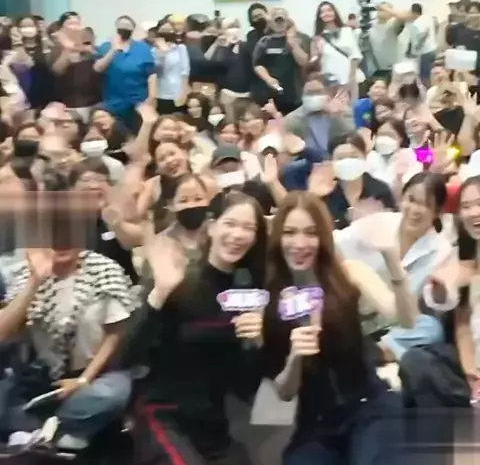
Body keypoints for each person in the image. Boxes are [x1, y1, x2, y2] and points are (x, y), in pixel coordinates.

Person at [262, 191, 407, 465]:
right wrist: (295, 358)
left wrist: (391, 259)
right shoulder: (270, 299)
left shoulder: (349, 273)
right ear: (278, 237)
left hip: (369, 406)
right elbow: (284, 393)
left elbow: (406, 318)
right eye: (290, 232)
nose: (299, 244)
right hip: (316, 424)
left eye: (311, 233)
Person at [0, 172, 137, 451]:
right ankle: (46, 434)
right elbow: (3, 333)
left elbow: (115, 334)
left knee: (112, 393)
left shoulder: (105, 270)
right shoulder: (26, 273)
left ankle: (50, 430)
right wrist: (35, 283)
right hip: (39, 378)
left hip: (93, 375)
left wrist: (83, 379)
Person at [128, 191, 267, 465]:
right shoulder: (178, 279)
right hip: (163, 412)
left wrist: (258, 343)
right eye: (230, 224)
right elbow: (129, 355)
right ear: (212, 226)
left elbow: (245, 386)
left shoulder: (251, 294)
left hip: (212, 424)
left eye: (248, 228)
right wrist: (160, 293)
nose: (237, 235)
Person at [335, 172, 459, 362]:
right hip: (356, 310)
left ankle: (379, 351)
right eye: (411, 200)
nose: (415, 210)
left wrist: (440, 292)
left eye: (426, 205)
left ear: (437, 212)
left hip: (395, 324)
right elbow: (335, 241)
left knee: (431, 328)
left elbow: (443, 301)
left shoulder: (442, 250)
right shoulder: (380, 221)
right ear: (401, 198)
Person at [308, 132, 396, 229]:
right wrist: (313, 196)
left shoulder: (380, 190)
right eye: (341, 158)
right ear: (332, 161)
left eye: (354, 156)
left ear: (365, 157)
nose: (348, 162)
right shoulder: (324, 193)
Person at [94, 16, 156, 133]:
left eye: (128, 26)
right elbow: (98, 68)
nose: (124, 29)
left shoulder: (142, 47)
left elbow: (151, 74)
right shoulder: (106, 47)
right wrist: (113, 50)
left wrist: (151, 97)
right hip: (113, 103)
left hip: (138, 102)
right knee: (116, 135)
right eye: (122, 26)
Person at [252, 8, 309, 115]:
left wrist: (293, 43)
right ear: (270, 22)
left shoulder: (299, 39)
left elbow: (303, 62)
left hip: (294, 94)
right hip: (272, 93)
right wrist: (268, 78)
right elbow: (258, 64)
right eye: (276, 20)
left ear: (287, 21)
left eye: (282, 20)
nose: (279, 24)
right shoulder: (264, 42)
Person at [49, 11, 101, 123]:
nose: (75, 27)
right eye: (70, 23)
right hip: (71, 106)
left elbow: (98, 62)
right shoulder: (56, 50)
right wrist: (68, 49)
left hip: (95, 103)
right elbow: (57, 70)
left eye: (77, 23)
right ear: (62, 28)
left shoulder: (89, 47)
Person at [311, 1, 362, 96]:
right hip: (329, 80)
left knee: (350, 103)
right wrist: (316, 53)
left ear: (335, 12)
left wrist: (351, 77)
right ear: (319, 16)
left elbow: (355, 55)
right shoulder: (318, 38)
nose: (326, 13)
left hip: (348, 78)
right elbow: (314, 60)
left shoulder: (347, 31)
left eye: (329, 10)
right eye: (322, 12)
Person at [153, 17, 190, 115]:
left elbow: (185, 71)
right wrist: (162, 52)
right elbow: (157, 71)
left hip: (178, 91)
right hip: (162, 92)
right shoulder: (153, 51)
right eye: (163, 30)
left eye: (169, 30)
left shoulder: (180, 48)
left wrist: (184, 91)